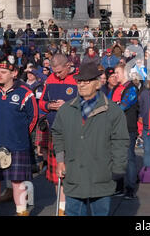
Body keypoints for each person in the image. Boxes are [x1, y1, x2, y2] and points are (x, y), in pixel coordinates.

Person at [51, 63, 129, 216]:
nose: (82, 84)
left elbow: (120, 141)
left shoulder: (113, 111)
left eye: (87, 81)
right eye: (80, 81)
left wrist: (118, 169)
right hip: (74, 176)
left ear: (98, 83)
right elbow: (57, 133)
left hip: (101, 177)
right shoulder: (66, 110)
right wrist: (60, 161)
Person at [0, 57, 38, 216]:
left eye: (4, 72)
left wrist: (19, 134)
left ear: (14, 73)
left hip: (17, 145)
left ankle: (21, 211)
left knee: (18, 182)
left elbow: (33, 118)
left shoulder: (26, 93)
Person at [38, 53, 78, 216]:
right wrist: (49, 105)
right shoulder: (51, 80)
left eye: (60, 71)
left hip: (75, 132)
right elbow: (41, 102)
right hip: (55, 131)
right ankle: (62, 209)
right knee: (57, 174)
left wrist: (67, 105)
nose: (57, 75)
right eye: (54, 71)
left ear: (68, 65)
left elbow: (87, 103)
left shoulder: (79, 79)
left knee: (74, 172)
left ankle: (74, 206)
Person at [107, 64, 139, 199]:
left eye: (117, 72)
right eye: (114, 73)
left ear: (125, 73)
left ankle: (130, 188)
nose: (115, 75)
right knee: (116, 159)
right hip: (113, 129)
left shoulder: (132, 88)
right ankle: (118, 187)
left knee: (129, 158)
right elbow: (106, 104)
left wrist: (111, 108)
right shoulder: (114, 89)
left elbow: (123, 106)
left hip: (127, 128)